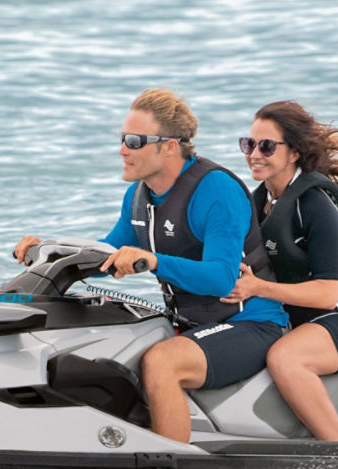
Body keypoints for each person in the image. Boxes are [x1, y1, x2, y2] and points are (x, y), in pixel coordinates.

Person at [14, 88, 288, 443]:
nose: (122, 149)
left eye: (134, 140)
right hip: (191, 323)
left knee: (161, 362)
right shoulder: (139, 195)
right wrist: (50, 249)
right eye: (122, 139)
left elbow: (222, 279)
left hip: (251, 323)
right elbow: (108, 254)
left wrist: (154, 261)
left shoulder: (215, 190)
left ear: (170, 146)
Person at [222, 101, 338, 441]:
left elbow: (327, 294)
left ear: (294, 152)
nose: (254, 153)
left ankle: (337, 457)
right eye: (247, 144)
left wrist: (258, 289)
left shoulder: (315, 205)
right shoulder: (258, 203)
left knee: (285, 359)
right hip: (300, 321)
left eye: (266, 145)